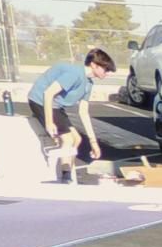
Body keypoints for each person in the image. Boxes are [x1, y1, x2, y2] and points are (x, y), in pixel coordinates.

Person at [27, 49, 113, 177]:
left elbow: (84, 113)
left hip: (57, 106)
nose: (108, 73)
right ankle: (66, 177)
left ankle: (68, 173)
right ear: (94, 65)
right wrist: (49, 122)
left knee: (77, 139)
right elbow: (48, 93)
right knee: (67, 138)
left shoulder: (88, 84)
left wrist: (94, 143)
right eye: (106, 69)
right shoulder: (75, 74)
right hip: (40, 101)